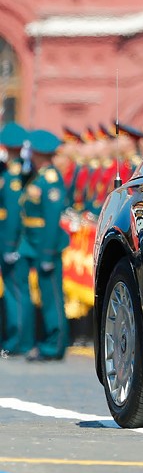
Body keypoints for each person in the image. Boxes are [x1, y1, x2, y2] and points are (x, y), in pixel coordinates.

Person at [22, 129, 71, 362]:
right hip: (37, 244)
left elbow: (52, 221)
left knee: (52, 297)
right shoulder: (40, 175)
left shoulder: (51, 178)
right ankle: (49, 342)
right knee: (45, 295)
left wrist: (48, 253)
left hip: (46, 245)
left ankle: (55, 345)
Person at [0, 122, 33, 357]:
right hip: (12, 240)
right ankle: (19, 339)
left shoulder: (13, 175)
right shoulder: (16, 170)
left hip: (12, 241)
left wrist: (10, 246)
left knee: (16, 292)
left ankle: (18, 340)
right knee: (16, 291)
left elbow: (11, 215)